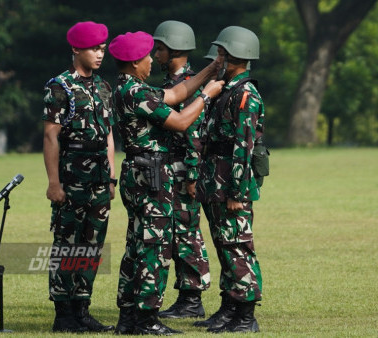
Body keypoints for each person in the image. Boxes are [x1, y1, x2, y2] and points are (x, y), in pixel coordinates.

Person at [108, 31, 224, 335]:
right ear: (135, 62)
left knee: (135, 244)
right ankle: (146, 320)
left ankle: (128, 318)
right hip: (151, 177)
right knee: (154, 247)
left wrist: (210, 71)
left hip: (138, 173)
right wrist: (206, 96)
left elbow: (176, 94)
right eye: (147, 56)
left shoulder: (129, 87)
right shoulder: (137, 93)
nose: (150, 61)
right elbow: (182, 120)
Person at [42, 21, 116, 333]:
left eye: (102, 48)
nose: (99, 54)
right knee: (67, 244)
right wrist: (54, 183)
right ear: (76, 49)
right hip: (71, 178)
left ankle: (82, 309)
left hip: (99, 179)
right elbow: (50, 136)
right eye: (93, 49)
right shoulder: (60, 87)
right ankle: (63, 314)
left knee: (91, 245)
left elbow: (109, 134)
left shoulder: (102, 86)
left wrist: (111, 176)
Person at [195, 26, 268, 333]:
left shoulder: (246, 96)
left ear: (238, 55)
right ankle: (229, 307)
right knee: (225, 245)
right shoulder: (226, 89)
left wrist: (237, 192)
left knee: (239, 246)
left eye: (223, 53)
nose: (218, 58)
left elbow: (244, 148)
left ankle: (246, 315)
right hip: (216, 181)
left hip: (231, 185)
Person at [152, 20, 210, 319]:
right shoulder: (173, 85)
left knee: (186, 234)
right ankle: (186, 297)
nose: (156, 54)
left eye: (160, 48)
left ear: (174, 50)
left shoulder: (187, 86)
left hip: (182, 172)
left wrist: (192, 174)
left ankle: (191, 300)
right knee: (176, 233)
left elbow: (195, 134)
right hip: (169, 170)